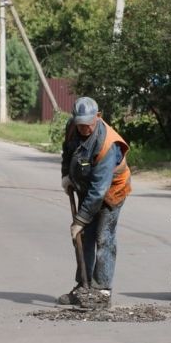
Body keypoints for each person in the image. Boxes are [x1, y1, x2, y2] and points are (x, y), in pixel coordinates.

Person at [58, 97, 132, 307]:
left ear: (98, 117)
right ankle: (83, 287)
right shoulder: (72, 128)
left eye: (88, 125)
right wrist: (66, 175)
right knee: (83, 237)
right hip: (87, 187)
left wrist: (81, 219)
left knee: (103, 237)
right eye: (80, 124)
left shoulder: (107, 143)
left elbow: (99, 191)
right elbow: (68, 151)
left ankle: (102, 292)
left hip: (110, 192)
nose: (84, 129)